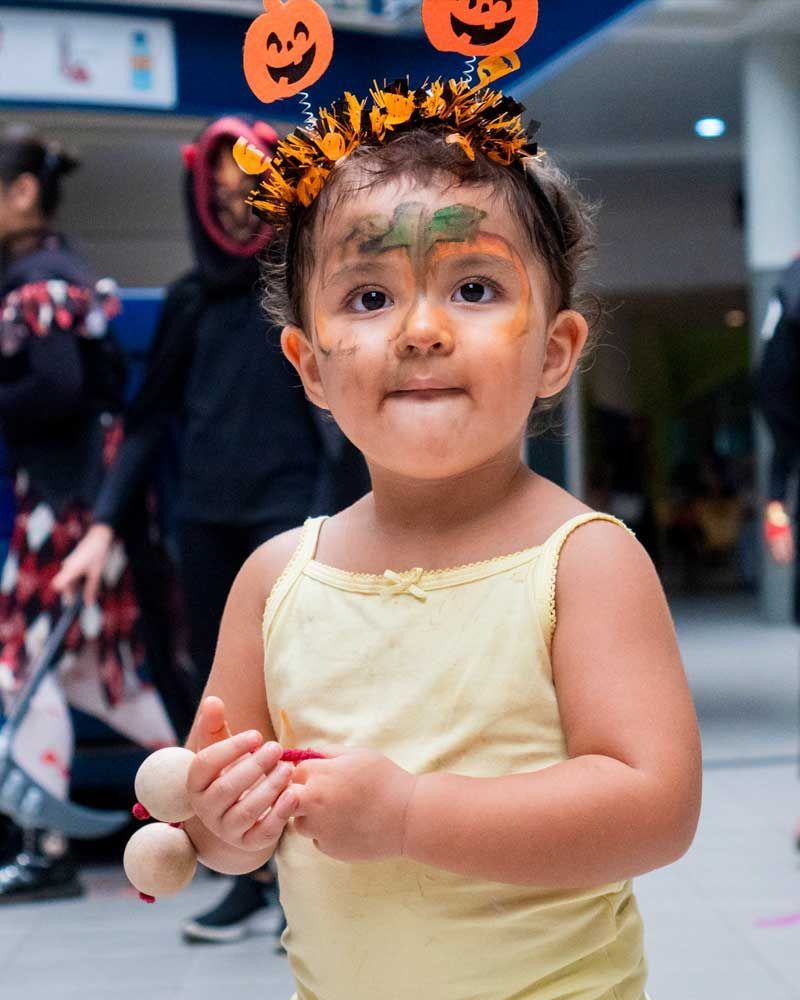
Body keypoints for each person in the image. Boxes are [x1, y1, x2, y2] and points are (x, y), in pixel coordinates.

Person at [177, 74, 702, 1000]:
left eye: (472, 286)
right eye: (369, 299)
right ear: (308, 364)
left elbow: (655, 809)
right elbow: (215, 833)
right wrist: (225, 821)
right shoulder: (274, 582)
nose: (420, 329)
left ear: (554, 351)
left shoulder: (584, 564)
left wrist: (413, 813)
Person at [54, 116, 368, 940]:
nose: (234, 211)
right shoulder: (192, 300)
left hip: (291, 513)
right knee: (222, 703)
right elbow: (149, 421)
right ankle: (251, 871)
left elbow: (340, 410)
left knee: (305, 700)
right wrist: (103, 529)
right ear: (198, 199)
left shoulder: (298, 287)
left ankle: (308, 874)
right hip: (205, 518)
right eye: (219, 196)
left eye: (249, 193)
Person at [0, 124, 175, 902]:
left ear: (23, 192)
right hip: (81, 497)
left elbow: (60, 385)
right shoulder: (55, 273)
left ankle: (49, 849)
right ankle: (195, 793)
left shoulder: (40, 278)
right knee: (88, 674)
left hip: (69, 507)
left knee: (25, 670)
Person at [756, 255, 800, 611]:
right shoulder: (791, 282)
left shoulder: (786, 282)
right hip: (782, 390)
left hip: (778, 391)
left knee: (782, 458)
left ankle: (779, 527)